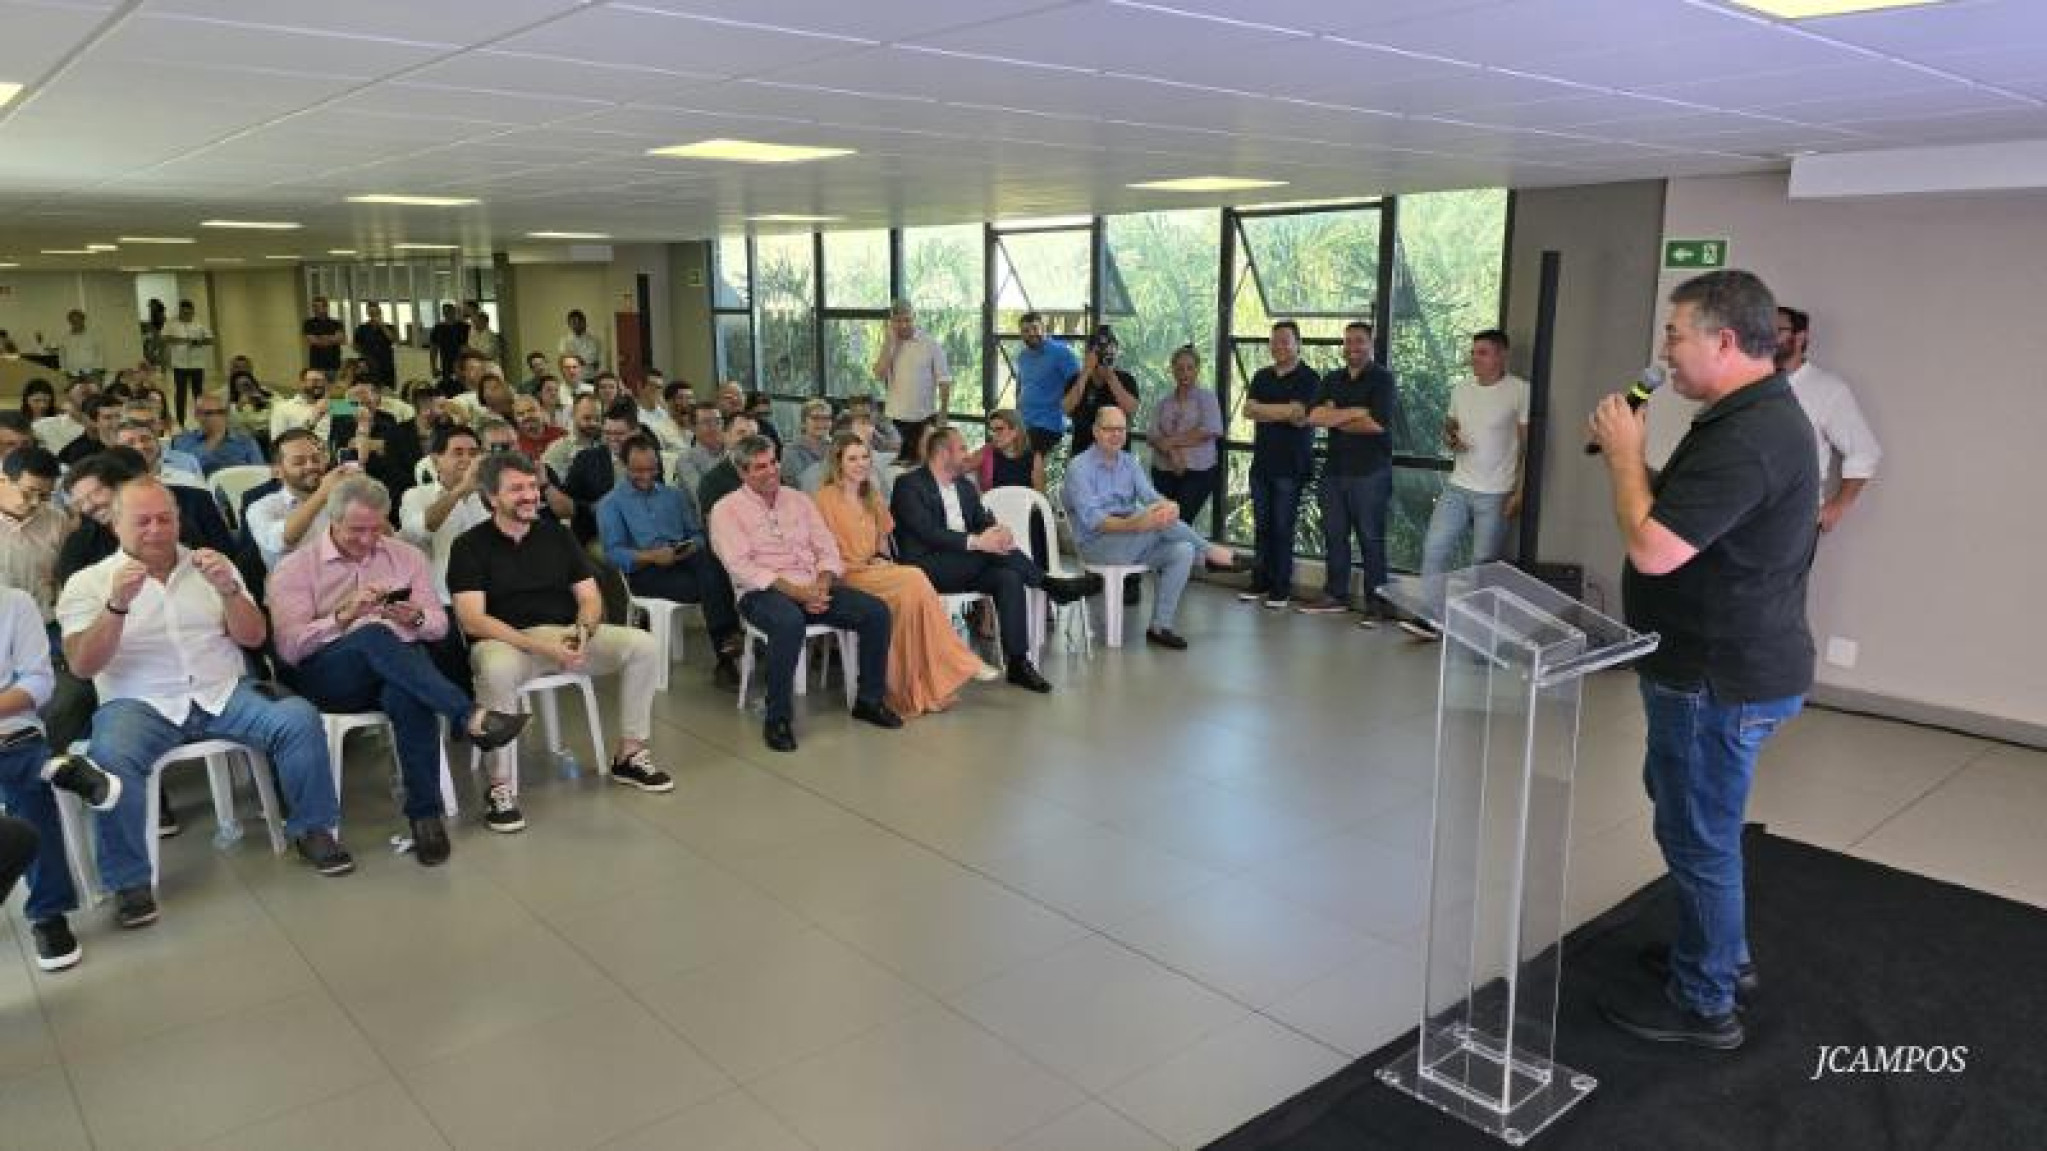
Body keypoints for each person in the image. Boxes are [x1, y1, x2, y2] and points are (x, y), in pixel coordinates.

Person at [1587, 270, 1818, 1052]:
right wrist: (1632, 464)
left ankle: (1705, 999)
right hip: (1712, 665)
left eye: (1673, 334)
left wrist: (1626, 455)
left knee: (1697, 833)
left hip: (1714, 676)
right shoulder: (1736, 418)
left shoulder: (1750, 435)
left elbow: (1652, 547)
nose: (1663, 352)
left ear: (1724, 340)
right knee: (1689, 814)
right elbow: (1681, 516)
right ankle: (1717, 954)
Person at [60, 479, 355, 928]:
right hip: (139, 700)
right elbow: (82, 666)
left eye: (165, 519)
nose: (156, 530)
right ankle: (130, 881)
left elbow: (254, 637)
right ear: (115, 524)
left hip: (222, 690)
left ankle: (312, 830)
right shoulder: (88, 582)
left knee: (297, 717)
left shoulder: (212, 566)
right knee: (111, 757)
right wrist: (117, 606)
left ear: (179, 520)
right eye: (142, 521)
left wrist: (230, 592)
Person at [268, 477, 528, 867]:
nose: (368, 539)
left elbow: (440, 625)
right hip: (327, 675)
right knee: (373, 634)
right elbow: (290, 649)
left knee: (408, 694)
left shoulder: (405, 557)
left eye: (376, 528)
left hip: (400, 670)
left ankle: (425, 818)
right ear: (332, 522)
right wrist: (342, 618)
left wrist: (417, 617)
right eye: (357, 530)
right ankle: (472, 715)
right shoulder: (295, 568)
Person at [448, 452, 672, 831]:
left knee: (643, 645)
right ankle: (500, 785)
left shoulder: (558, 535)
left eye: (532, 486)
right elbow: (473, 619)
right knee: (496, 669)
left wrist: (582, 633)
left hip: (564, 634)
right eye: (516, 488)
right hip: (506, 641)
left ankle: (630, 753)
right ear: (491, 497)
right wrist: (541, 647)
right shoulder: (469, 545)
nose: (529, 495)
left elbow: (589, 597)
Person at [709, 436, 900, 752]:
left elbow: (826, 547)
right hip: (762, 592)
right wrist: (799, 593)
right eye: (760, 467)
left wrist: (822, 583)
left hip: (813, 585)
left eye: (773, 463)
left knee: (876, 612)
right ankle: (778, 718)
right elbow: (742, 567)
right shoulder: (726, 510)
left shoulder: (798, 500)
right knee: (788, 623)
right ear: (742, 473)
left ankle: (869, 700)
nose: (771, 472)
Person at [892, 426, 1100, 691]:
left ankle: (1017, 663)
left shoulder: (965, 487)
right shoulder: (909, 485)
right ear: (943, 453)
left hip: (966, 564)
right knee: (989, 554)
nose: (968, 455)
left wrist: (998, 531)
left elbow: (982, 519)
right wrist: (979, 542)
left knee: (1009, 577)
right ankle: (1048, 585)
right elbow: (927, 532)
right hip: (925, 567)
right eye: (962, 449)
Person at [817, 433, 996, 717]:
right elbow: (820, 548)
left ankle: (913, 692)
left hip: (873, 569)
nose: (861, 464)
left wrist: (879, 558)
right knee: (914, 577)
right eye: (852, 459)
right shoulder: (824, 499)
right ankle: (959, 659)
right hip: (844, 574)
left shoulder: (871, 495)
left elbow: (882, 539)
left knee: (912, 599)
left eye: (865, 457)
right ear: (838, 463)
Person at [1, 586, 124, 970]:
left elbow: (38, 684)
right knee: (30, 774)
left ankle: (48, 915)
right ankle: (59, 767)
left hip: (10, 731)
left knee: (29, 796)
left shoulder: (14, 603)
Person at [1064, 409, 1239, 650]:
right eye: (1109, 429)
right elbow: (1096, 521)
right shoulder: (1079, 468)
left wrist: (1169, 505)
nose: (1116, 435)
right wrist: (1138, 523)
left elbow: (1151, 497)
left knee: (1183, 550)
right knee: (1158, 525)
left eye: (1121, 429)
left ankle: (1160, 626)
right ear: (1095, 431)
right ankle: (1210, 553)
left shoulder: (1128, 463)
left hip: (1133, 539)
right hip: (1098, 544)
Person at [1408, 330, 1530, 640]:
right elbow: (1449, 426)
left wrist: (1520, 490)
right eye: (1474, 352)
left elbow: (1528, 446)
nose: (1474, 358)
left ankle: (1480, 630)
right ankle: (1431, 619)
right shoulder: (1461, 390)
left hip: (1497, 491)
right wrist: (1450, 437)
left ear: (1501, 356)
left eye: (1483, 353)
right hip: (1458, 486)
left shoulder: (1519, 390)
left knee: (1482, 564)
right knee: (1434, 548)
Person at [597, 438, 741, 675]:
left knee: (711, 562)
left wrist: (691, 545)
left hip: (683, 559)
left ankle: (727, 649)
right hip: (645, 571)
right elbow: (613, 554)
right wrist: (652, 557)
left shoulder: (673, 496)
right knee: (713, 581)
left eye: (652, 469)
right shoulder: (610, 504)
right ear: (623, 466)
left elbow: (696, 534)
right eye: (638, 470)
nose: (646, 476)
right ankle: (728, 645)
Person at [1297, 320, 1400, 624]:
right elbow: (1314, 416)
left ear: (1370, 344)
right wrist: (1356, 411)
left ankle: (1377, 605)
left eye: (1359, 341)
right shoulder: (1332, 378)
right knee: (1334, 536)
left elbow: (1376, 424)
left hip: (1370, 473)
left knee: (1371, 539)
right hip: (1334, 471)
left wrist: (1335, 415)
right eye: (1348, 341)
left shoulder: (1382, 379)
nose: (1352, 347)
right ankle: (1335, 596)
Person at [1775, 306, 1880, 534]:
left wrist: (1837, 507)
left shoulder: (1827, 389)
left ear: (1801, 337)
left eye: (1777, 331)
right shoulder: (1747, 387)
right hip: (1741, 521)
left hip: (1792, 524)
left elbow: (1865, 451)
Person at [1241, 320, 1319, 609]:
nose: (1279, 346)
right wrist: (1282, 411)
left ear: (1298, 344)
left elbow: (1300, 414)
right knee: (1262, 527)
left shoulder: (1309, 378)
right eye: (1274, 341)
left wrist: (1267, 410)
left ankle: (1281, 588)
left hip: (1291, 466)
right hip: (1261, 464)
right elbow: (1248, 411)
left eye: (1285, 341)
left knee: (1283, 528)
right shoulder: (1262, 375)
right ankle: (1260, 581)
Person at [400, 423, 495, 598]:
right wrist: (460, 490)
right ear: (436, 461)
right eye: (458, 453)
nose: (467, 460)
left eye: (474, 454)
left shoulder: (492, 497)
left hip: (491, 596)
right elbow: (420, 531)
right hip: (439, 599)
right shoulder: (416, 495)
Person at [245, 429, 353, 572]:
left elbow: (386, 537)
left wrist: (362, 497)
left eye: (316, 459)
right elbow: (282, 541)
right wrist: (322, 494)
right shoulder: (260, 508)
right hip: (298, 590)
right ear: (277, 472)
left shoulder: (340, 498)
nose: (311, 466)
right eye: (299, 462)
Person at [1146, 346, 1224, 525]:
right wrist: (1172, 452)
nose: (1185, 373)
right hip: (1163, 471)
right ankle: (1171, 553)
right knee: (1164, 522)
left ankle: (1191, 552)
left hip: (1198, 472)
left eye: (1190, 368)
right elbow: (1152, 434)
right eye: (1180, 368)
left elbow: (1211, 429)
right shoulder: (1163, 402)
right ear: (1172, 370)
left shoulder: (1207, 398)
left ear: (1197, 369)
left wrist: (1171, 443)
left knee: (1180, 521)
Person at [872, 300, 951, 464]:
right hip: (895, 418)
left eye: (907, 320)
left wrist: (943, 413)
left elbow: (944, 380)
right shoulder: (888, 344)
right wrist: (889, 344)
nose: (903, 325)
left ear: (914, 318)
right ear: (891, 322)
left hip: (923, 417)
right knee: (900, 466)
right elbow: (879, 374)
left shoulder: (931, 344)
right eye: (898, 321)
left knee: (924, 462)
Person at [0, 447, 65, 617]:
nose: (36, 503)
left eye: (44, 496)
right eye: (28, 493)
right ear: (3, 481)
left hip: (45, 622)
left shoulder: (56, 520)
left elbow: (63, 574)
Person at [1063, 324, 1139, 460]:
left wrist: (1110, 378)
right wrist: (1086, 371)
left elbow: (1131, 408)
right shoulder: (1076, 379)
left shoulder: (1126, 380)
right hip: (1083, 454)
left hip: (1117, 457)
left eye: (1109, 353)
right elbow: (1066, 408)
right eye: (1100, 353)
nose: (1104, 357)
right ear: (1088, 353)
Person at [1014, 311, 1080, 457]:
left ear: (1044, 329)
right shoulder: (1023, 356)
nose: (1031, 333)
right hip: (1024, 423)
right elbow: (1021, 387)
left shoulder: (1062, 353)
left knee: (1032, 466)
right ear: (1021, 334)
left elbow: (1078, 383)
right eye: (1026, 330)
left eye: (1035, 328)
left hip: (1049, 425)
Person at [170, 394, 263, 476]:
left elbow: (260, 472)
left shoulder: (246, 442)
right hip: (199, 490)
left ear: (226, 414)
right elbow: (183, 470)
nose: (215, 417)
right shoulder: (183, 441)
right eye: (206, 413)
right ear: (196, 415)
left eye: (220, 412)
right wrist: (215, 438)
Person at [160, 300, 214, 425]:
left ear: (192, 311)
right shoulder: (171, 323)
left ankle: (202, 419)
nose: (186, 315)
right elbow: (164, 338)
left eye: (188, 313)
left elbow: (210, 339)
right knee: (180, 393)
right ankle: (180, 421)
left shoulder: (199, 323)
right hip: (180, 364)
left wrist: (198, 342)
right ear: (180, 311)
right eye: (183, 312)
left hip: (197, 363)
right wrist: (183, 340)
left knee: (198, 393)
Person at [974, 408, 1046, 492]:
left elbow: (1040, 497)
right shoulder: (987, 452)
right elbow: (963, 466)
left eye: (999, 429)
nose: (994, 435)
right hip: (993, 504)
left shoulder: (1035, 459)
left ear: (1015, 431)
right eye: (992, 431)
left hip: (1024, 504)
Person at [673, 401, 725, 500]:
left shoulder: (733, 452)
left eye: (718, 422)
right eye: (707, 422)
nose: (714, 427)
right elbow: (703, 496)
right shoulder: (686, 460)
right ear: (692, 427)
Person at [57, 394, 121, 469]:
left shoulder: (130, 442)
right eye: (107, 418)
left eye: (118, 416)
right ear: (90, 420)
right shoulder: (77, 452)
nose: (116, 422)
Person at [780, 398, 834, 486]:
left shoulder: (836, 446)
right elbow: (801, 485)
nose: (821, 422)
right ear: (803, 423)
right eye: (815, 418)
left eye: (826, 418)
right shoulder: (791, 451)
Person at [270, 367, 330, 441]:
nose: (319, 385)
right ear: (302, 383)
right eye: (315, 381)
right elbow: (278, 443)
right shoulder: (283, 408)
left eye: (322, 381)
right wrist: (314, 419)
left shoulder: (332, 406)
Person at [352, 301, 399, 389]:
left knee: (389, 392)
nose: (373, 315)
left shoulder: (389, 327)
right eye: (371, 313)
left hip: (386, 366)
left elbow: (393, 339)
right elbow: (355, 345)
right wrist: (364, 354)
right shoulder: (361, 328)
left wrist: (382, 325)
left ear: (380, 312)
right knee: (370, 391)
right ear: (367, 313)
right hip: (369, 368)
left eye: (375, 313)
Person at [513, 392, 564, 461]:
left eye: (531, 410)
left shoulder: (561, 434)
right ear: (516, 419)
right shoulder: (515, 445)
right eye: (520, 414)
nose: (526, 416)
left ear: (541, 411)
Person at [302, 297, 345, 374]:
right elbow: (312, 341)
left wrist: (320, 337)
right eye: (314, 307)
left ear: (325, 308)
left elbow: (340, 339)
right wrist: (331, 338)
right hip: (316, 364)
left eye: (318, 307)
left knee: (334, 385)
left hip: (334, 364)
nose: (315, 309)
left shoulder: (336, 323)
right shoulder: (308, 324)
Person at [57, 310, 103, 382]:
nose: (76, 323)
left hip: (91, 373)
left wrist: (97, 371)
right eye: (73, 321)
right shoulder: (65, 338)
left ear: (83, 320)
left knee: (93, 393)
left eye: (78, 320)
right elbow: (62, 356)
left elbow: (100, 354)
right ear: (70, 322)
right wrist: (64, 370)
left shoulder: (94, 335)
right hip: (72, 374)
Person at [428, 304, 470, 383]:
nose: (448, 314)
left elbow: (470, 347)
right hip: (446, 366)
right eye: (446, 312)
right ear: (443, 313)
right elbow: (433, 349)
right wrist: (433, 367)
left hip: (463, 364)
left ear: (454, 312)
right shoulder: (437, 328)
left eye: (450, 311)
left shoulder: (465, 327)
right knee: (449, 387)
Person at [559, 309, 602, 383]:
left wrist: (573, 358)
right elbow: (564, 359)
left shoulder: (594, 339)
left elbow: (591, 358)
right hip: (572, 378)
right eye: (571, 323)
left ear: (583, 322)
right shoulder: (565, 340)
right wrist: (577, 359)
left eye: (576, 322)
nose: (574, 326)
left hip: (590, 378)